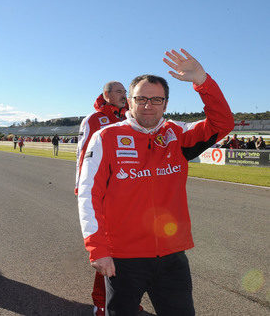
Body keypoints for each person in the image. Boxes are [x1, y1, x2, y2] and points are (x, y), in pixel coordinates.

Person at [78, 49, 234, 315]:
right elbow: (88, 195)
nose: (148, 105)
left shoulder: (179, 134)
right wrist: (98, 249)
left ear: (166, 103)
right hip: (124, 258)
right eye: (141, 99)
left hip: (173, 256)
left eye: (156, 99)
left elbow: (223, 122)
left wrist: (203, 82)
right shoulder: (105, 137)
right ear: (129, 101)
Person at [74, 80, 128, 315]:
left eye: (126, 92)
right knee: (109, 249)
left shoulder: (130, 118)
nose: (124, 95)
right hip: (104, 194)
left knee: (130, 251)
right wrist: (81, 187)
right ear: (106, 95)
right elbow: (83, 154)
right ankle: (101, 302)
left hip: (129, 194)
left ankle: (127, 297)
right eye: (119, 91)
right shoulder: (93, 119)